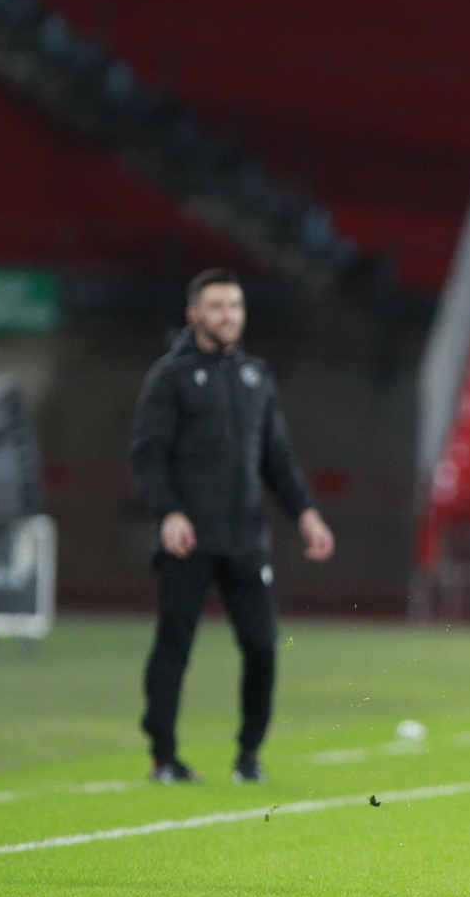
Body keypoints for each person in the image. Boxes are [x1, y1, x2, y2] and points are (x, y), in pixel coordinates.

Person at [129, 269, 336, 785]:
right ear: (193, 314)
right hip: (189, 537)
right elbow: (148, 454)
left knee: (263, 646)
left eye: (236, 306)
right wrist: (168, 513)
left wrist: (305, 513)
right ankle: (163, 756)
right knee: (175, 644)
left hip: (245, 537)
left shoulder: (255, 377)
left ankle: (249, 755)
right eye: (218, 306)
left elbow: (277, 459)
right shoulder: (169, 376)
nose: (230, 316)